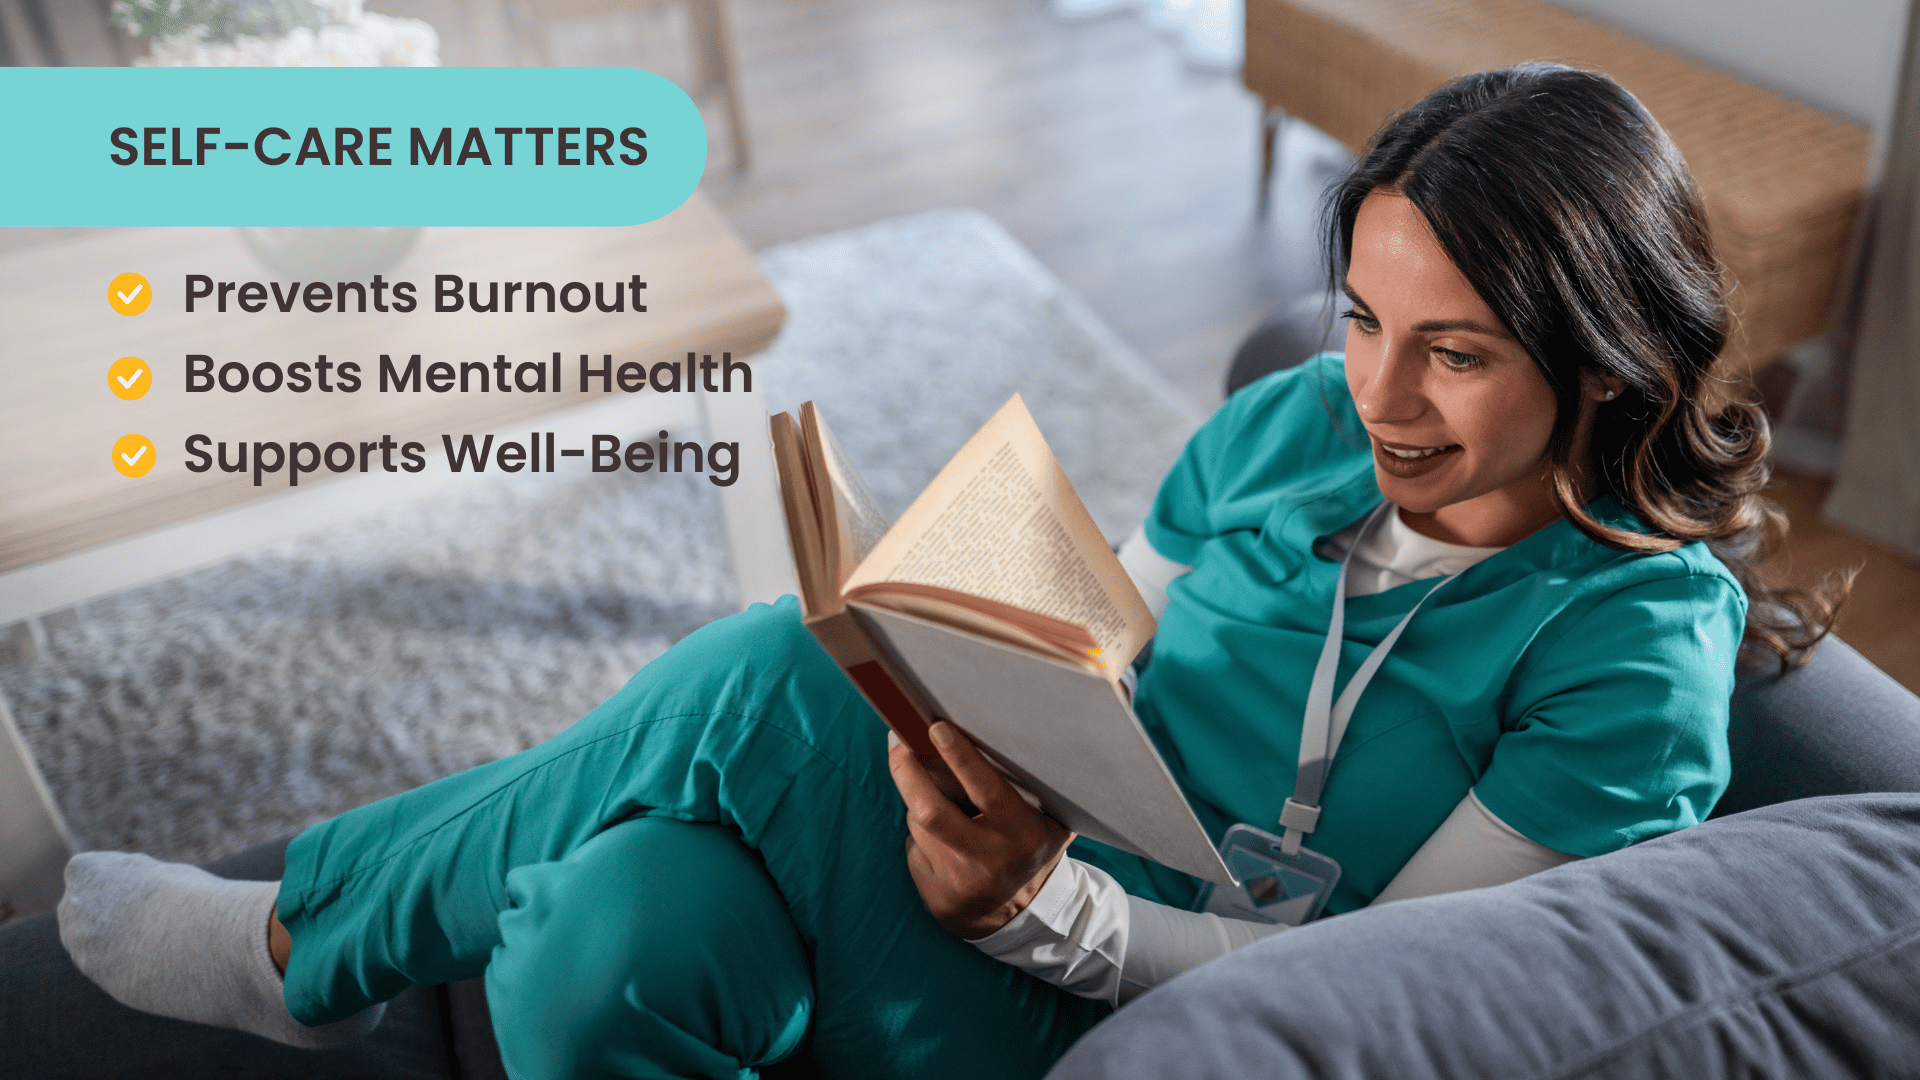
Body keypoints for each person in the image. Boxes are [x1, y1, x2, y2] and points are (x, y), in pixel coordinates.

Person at [55, 64, 1846, 1079]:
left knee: (761, 676)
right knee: (620, 929)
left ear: (1605, 358)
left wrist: (1042, 917)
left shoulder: (1628, 661)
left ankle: (307, 937)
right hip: (1033, 851)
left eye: (1454, 353)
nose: (1376, 393)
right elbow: (1107, 635)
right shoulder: (1301, 420)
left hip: (1138, 997)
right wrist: (968, 701)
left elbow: (1380, 1005)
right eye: (1367, 316)